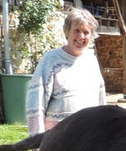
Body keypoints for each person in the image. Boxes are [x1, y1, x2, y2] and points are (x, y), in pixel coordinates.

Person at [25, 7, 106, 137]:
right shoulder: (51, 60)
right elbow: (36, 102)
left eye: (86, 32)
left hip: (89, 136)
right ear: (67, 31)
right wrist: (37, 141)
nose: (81, 36)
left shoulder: (91, 60)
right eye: (77, 31)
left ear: (91, 35)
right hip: (58, 139)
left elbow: (101, 100)